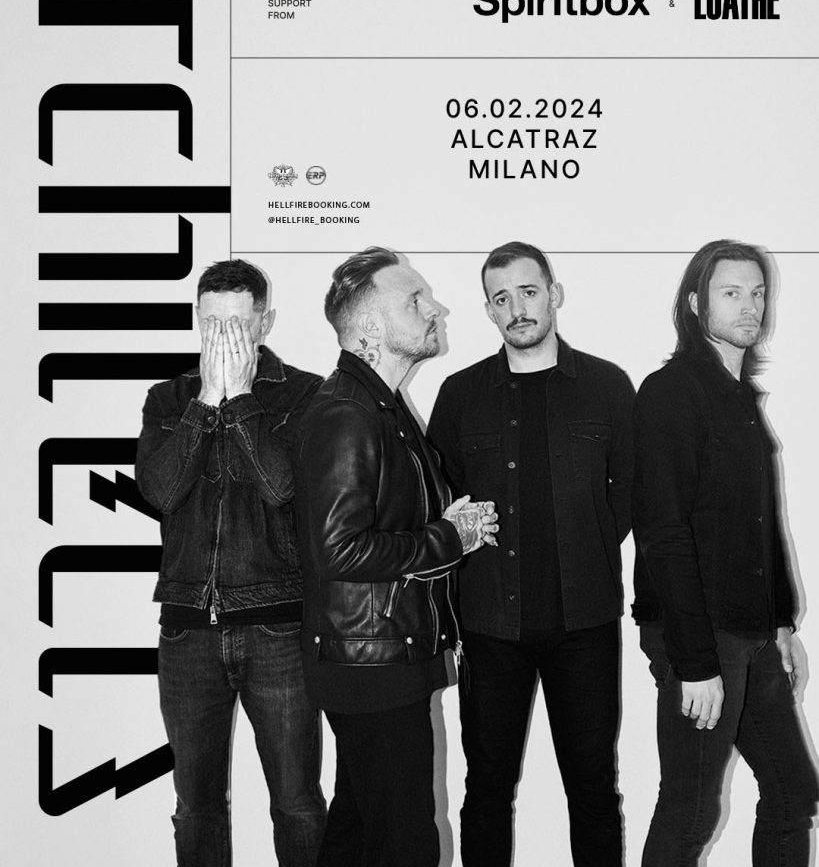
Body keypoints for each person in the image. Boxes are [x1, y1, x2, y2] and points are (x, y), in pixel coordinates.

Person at [427, 240, 634, 867]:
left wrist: (585, 546)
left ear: (554, 294)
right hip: (490, 625)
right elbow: (440, 502)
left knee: (594, 790)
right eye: (501, 298)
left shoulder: (606, 385)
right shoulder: (460, 395)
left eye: (528, 291)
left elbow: (627, 496)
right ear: (488, 311)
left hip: (585, 623)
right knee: (487, 789)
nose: (517, 308)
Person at [295, 246, 498, 867]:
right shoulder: (347, 414)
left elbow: (385, 525)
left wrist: (448, 523)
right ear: (371, 327)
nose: (436, 308)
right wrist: (451, 537)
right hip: (372, 665)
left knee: (357, 832)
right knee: (405, 844)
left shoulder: (379, 406)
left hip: (378, 656)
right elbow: (339, 549)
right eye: (415, 299)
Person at [632, 239, 818, 866]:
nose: (750, 306)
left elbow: (758, 523)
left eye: (757, 293)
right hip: (701, 637)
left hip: (752, 632)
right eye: (731, 293)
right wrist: (694, 662)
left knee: (794, 793)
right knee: (690, 811)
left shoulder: (738, 396)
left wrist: (781, 623)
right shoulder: (671, 392)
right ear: (695, 304)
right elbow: (662, 531)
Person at [135, 258, 326, 867]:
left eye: (238, 325)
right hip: (186, 627)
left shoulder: (304, 393)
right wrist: (205, 402)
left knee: (297, 803)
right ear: (197, 319)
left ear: (265, 323)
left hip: (277, 626)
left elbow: (282, 487)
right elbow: (161, 492)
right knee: (195, 806)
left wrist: (239, 399)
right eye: (212, 323)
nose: (223, 338)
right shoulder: (168, 398)